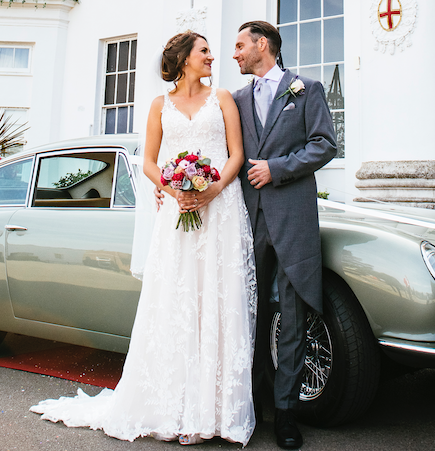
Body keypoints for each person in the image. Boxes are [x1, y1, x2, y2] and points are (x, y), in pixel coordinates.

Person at [30, 31, 258, 447]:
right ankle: (174, 407)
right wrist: (175, 190)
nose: (212, 57)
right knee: (178, 302)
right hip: (178, 210)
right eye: (204, 51)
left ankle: (218, 413)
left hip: (220, 208)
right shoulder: (159, 105)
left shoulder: (223, 98)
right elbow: (150, 161)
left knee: (217, 301)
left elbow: (236, 155)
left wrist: (211, 189)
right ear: (185, 58)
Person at [232, 21, 337, 449]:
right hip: (247, 220)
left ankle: (287, 413)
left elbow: (325, 144)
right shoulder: (235, 99)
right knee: (249, 313)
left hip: (292, 219)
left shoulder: (305, 89)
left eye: (240, 45)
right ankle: (252, 402)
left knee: (292, 318)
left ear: (263, 45)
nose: (235, 53)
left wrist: (277, 169)